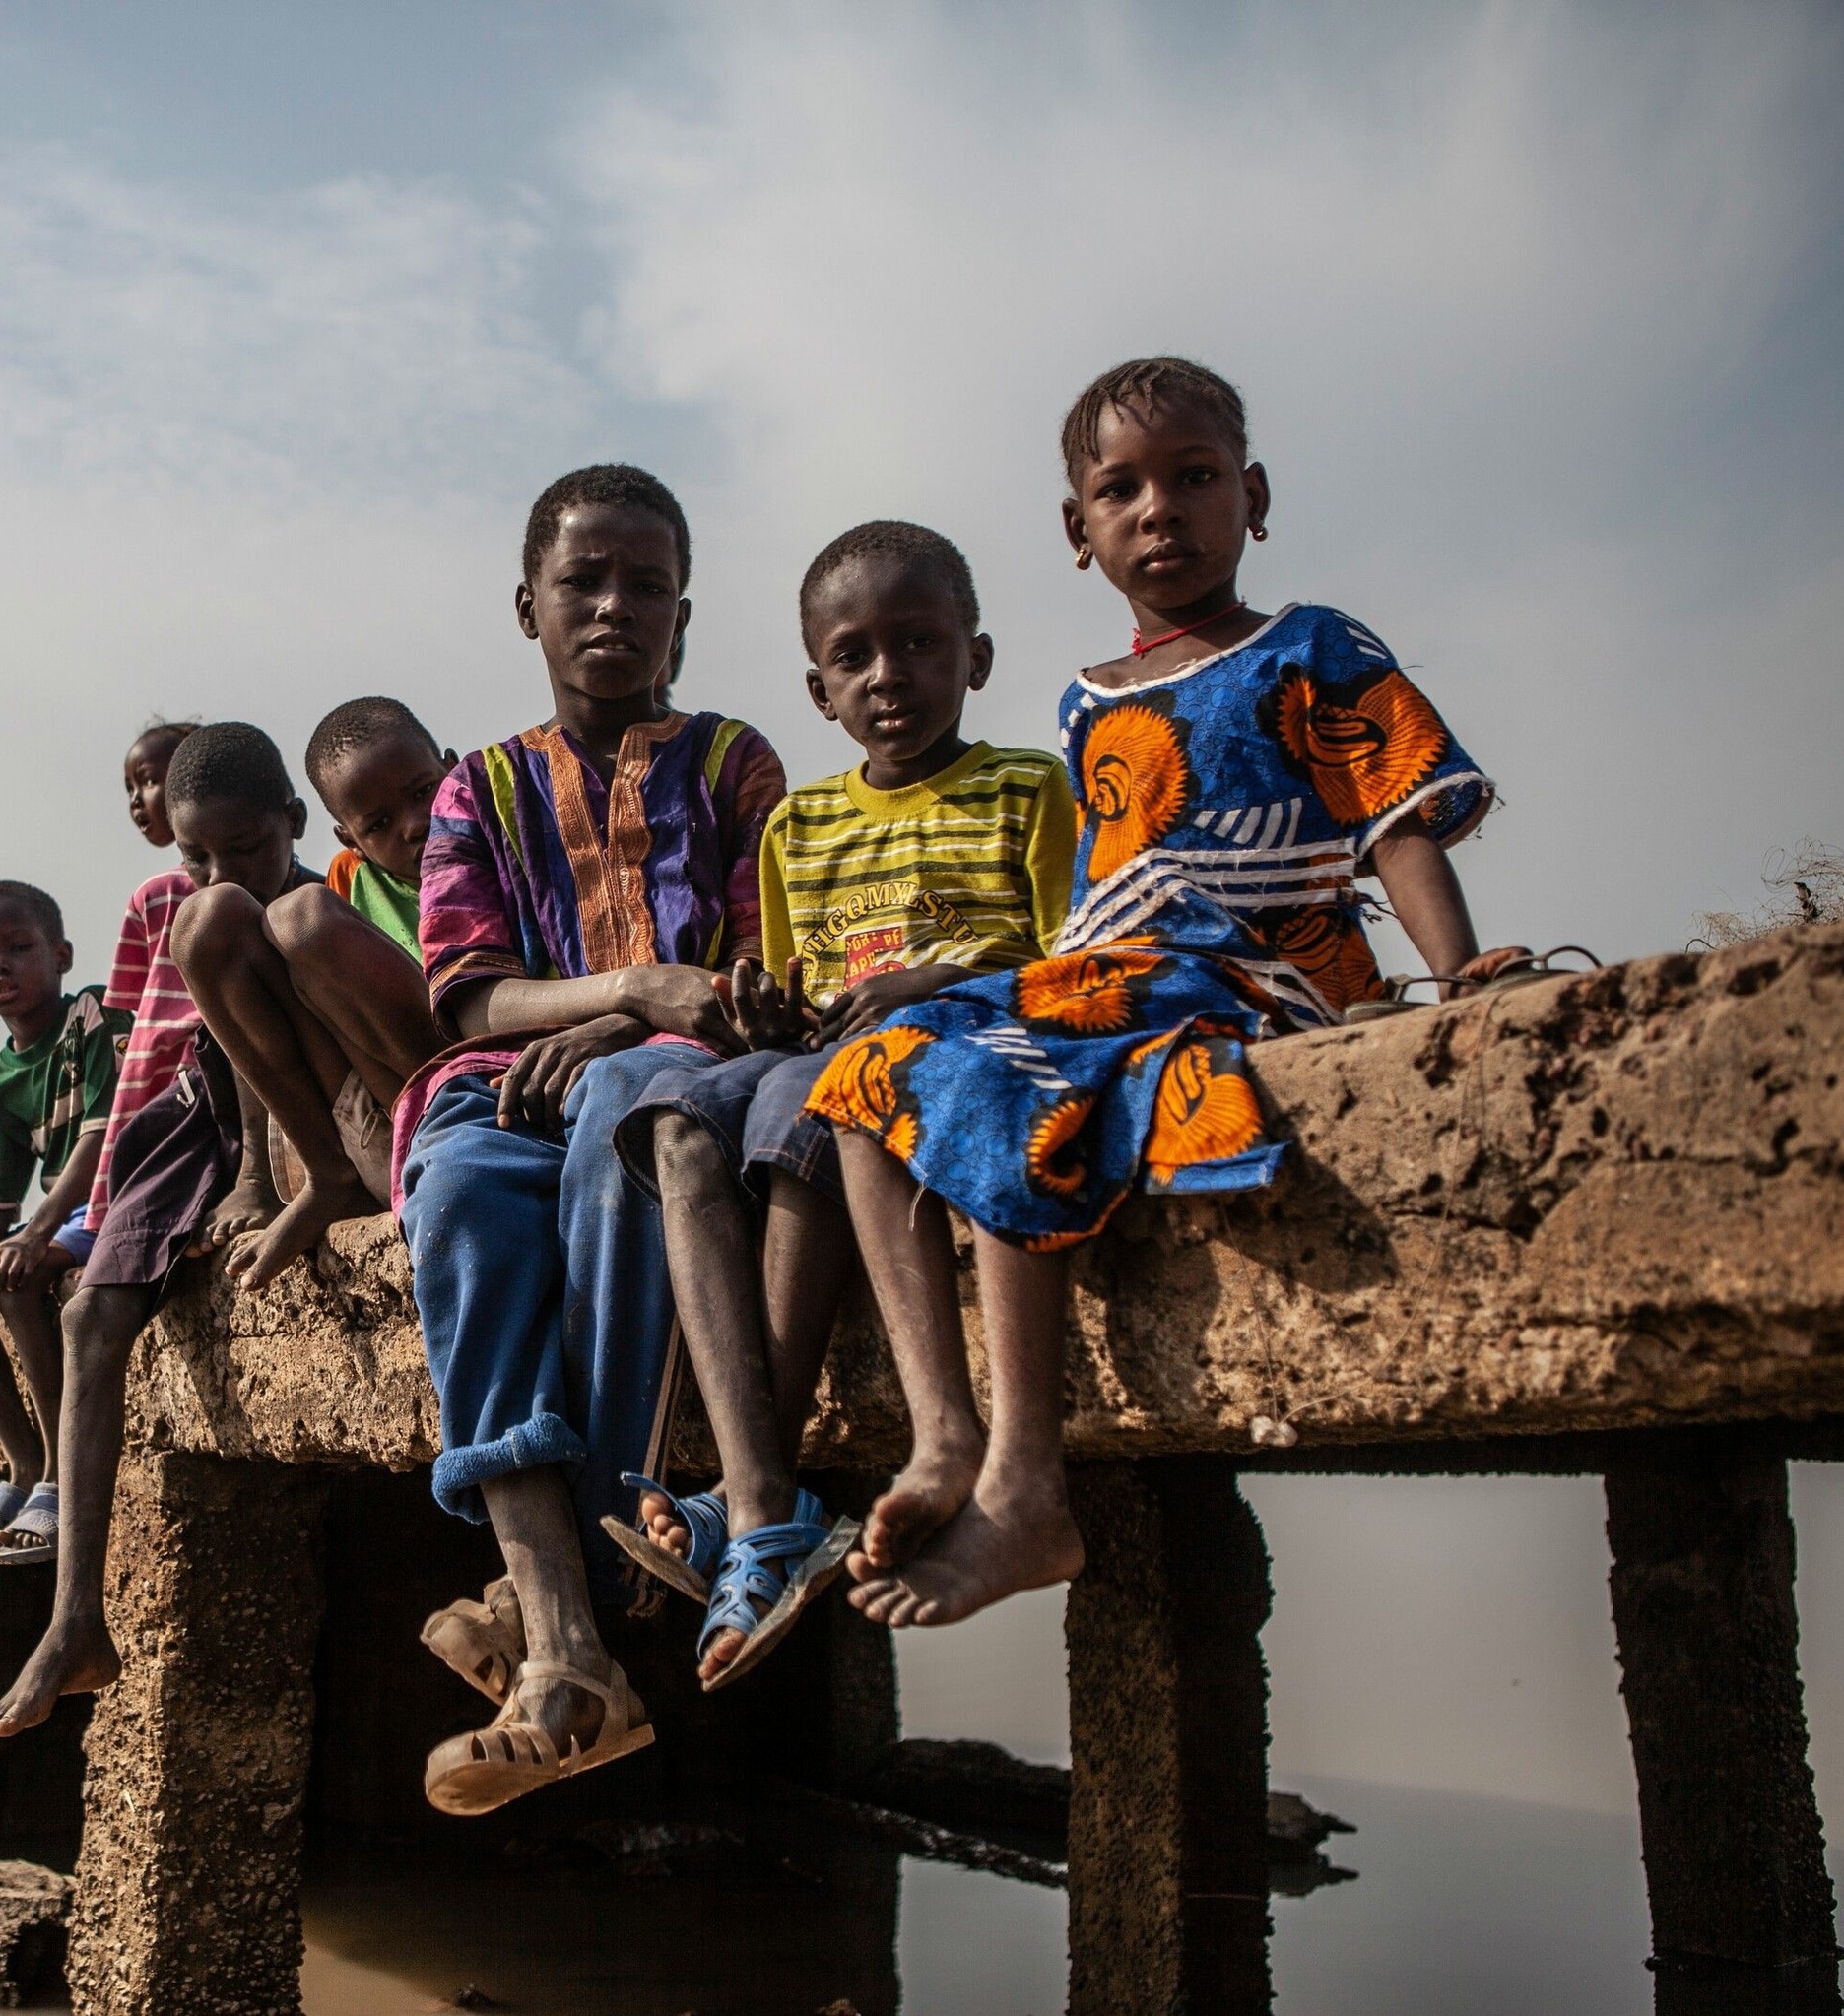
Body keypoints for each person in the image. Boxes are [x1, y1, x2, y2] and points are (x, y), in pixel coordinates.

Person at [808, 357, 1519, 1632]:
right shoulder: (1091, 701)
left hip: (1252, 970)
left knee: (1029, 1081)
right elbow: (1101, 896)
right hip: (1109, 971)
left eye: (1193, 478)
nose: (1159, 510)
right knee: (869, 1071)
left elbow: (1400, 815)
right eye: (1120, 488)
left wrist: (1458, 974)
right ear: (1078, 532)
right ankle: (946, 1434)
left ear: (1250, 495)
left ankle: (1029, 1484)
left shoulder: (1311, 645)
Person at [609, 520, 1077, 1689]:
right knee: (672, 1112)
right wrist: (769, 1008)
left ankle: (753, 1501)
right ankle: (745, 1477)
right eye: (856, 658)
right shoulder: (800, 825)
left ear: (975, 656)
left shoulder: (1029, 787)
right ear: (819, 690)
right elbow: (797, 978)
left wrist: (936, 977)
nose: (889, 678)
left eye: (919, 644)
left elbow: (1079, 960)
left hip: (937, 1048)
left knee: (793, 1115)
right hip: (816, 1054)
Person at [395, 463, 788, 1816]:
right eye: (585, 579)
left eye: (646, 583)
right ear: (529, 606)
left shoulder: (734, 762)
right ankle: (568, 1637)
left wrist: (641, 1027)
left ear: (683, 612)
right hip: (519, 1072)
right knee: (454, 1186)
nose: (615, 604)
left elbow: (748, 970)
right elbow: (470, 992)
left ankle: (581, 1598)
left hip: (679, 1067)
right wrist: (624, 988)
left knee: (628, 1126)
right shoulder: (478, 788)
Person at [0, 722, 322, 1738]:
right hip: (191, 1109)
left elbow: (281, 1053)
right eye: (195, 858)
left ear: (292, 825)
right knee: (90, 1317)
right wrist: (102, 1202)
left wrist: (259, 1181)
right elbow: (142, 1064)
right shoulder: (172, 909)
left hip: (288, 1101)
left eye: (243, 851)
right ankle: (74, 1619)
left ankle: (74, 1620)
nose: (217, 876)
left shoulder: (315, 903)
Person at [169, 696, 450, 1292]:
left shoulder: (501, 848)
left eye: (426, 792)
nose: (414, 825)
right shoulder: (355, 879)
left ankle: (440, 1142)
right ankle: (330, 1176)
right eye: (376, 824)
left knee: (302, 918)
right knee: (204, 921)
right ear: (348, 834)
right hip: (375, 1127)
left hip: (464, 1101)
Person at [0, 880, 130, 1566]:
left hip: (118, 1192)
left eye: (18, 947)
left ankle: (56, 1466)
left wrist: (38, 1233)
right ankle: (18, 1464)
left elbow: (100, 1141)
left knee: (19, 1277)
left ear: (62, 953)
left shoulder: (95, 1017)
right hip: (60, 1214)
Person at [85, 718, 205, 1232]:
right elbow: (136, 1017)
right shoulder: (150, 898)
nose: (137, 799)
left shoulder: (182, 891)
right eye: (130, 787)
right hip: (153, 1083)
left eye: (149, 779)